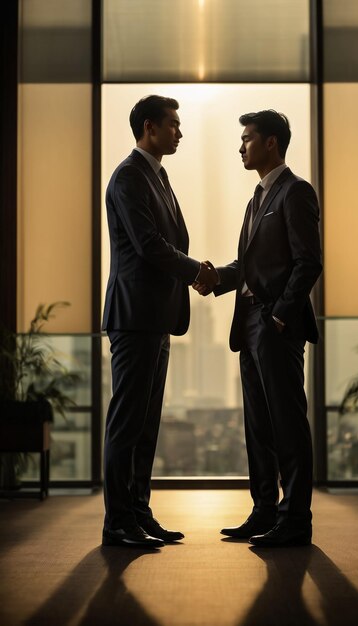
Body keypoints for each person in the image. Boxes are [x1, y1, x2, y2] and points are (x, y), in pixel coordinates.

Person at [194, 109, 322, 547]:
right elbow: (250, 267)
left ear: (271, 143)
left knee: (287, 422)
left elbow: (309, 262)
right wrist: (217, 277)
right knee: (259, 425)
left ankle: (295, 520)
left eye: (247, 138)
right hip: (247, 323)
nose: (241, 146)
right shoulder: (257, 199)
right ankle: (265, 510)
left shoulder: (295, 192)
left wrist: (281, 315)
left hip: (274, 324)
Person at [102, 95, 217, 548]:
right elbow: (149, 245)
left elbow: (166, 241)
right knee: (127, 422)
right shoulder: (129, 177)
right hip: (134, 317)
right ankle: (117, 523)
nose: (180, 132)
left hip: (158, 318)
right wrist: (196, 271)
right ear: (149, 127)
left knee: (146, 424)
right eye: (173, 124)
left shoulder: (159, 177)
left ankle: (138, 512)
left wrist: (192, 272)